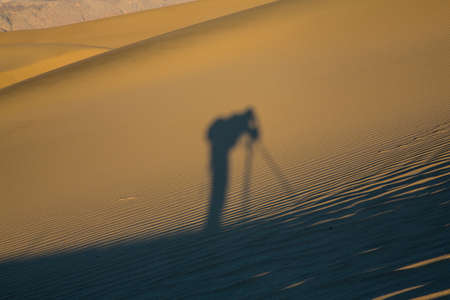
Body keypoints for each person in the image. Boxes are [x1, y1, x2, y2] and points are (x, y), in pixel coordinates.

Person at [205, 108, 259, 231]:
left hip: (218, 158)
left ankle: (214, 222)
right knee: (219, 189)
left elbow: (253, 133)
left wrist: (253, 128)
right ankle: (213, 224)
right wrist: (254, 126)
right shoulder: (238, 123)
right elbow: (254, 133)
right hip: (220, 159)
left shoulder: (237, 122)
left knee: (218, 190)